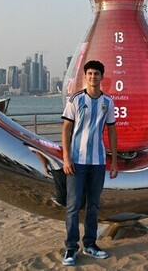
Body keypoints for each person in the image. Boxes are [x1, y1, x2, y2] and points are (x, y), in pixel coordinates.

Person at [60, 60, 118, 266]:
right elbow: (66, 128)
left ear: (102, 77)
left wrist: (114, 161)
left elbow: (111, 130)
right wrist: (66, 158)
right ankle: (70, 248)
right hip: (77, 161)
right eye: (90, 73)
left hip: (98, 161)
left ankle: (90, 244)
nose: (93, 77)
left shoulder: (108, 102)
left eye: (97, 74)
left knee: (93, 205)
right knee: (73, 206)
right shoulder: (76, 99)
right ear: (85, 76)